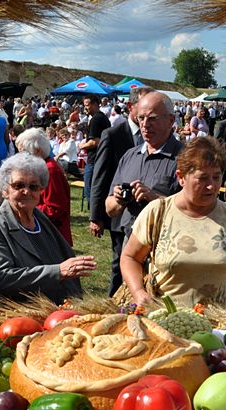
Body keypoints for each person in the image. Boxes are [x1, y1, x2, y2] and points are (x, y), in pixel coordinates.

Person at [119, 136, 226, 308]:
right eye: (203, 178)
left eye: (216, 177)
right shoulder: (158, 212)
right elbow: (130, 257)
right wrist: (138, 292)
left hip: (217, 322)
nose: (211, 186)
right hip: (163, 319)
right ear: (181, 177)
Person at [0, 152, 95, 306]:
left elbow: (66, 263)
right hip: (6, 310)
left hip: (48, 307)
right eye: (18, 185)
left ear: (41, 190)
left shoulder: (40, 218)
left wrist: (73, 304)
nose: (27, 191)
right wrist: (57, 272)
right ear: (4, 190)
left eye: (33, 186)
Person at [90, 86, 153, 296]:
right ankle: (114, 303)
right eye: (143, 107)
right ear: (130, 106)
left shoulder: (156, 136)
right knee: (120, 264)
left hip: (148, 215)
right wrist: (96, 216)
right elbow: (100, 177)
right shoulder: (112, 135)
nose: (147, 115)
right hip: (120, 215)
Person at [105, 91, 183, 246]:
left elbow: (194, 211)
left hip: (166, 246)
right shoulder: (130, 156)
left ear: (171, 120)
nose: (145, 124)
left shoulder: (186, 159)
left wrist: (154, 199)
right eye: (141, 118)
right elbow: (109, 208)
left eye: (152, 118)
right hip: (129, 244)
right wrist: (120, 200)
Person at [15, 128, 73, 246]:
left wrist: (25, 207)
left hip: (52, 236)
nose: (22, 158)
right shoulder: (42, 167)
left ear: (37, 151)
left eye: (24, 153)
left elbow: (54, 209)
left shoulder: (50, 171)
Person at [78, 94, 111, 209]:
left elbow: (94, 142)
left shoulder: (95, 120)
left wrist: (82, 146)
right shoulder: (103, 118)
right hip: (102, 158)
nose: (85, 108)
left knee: (90, 190)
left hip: (94, 160)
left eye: (87, 105)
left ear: (95, 104)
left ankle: (95, 213)